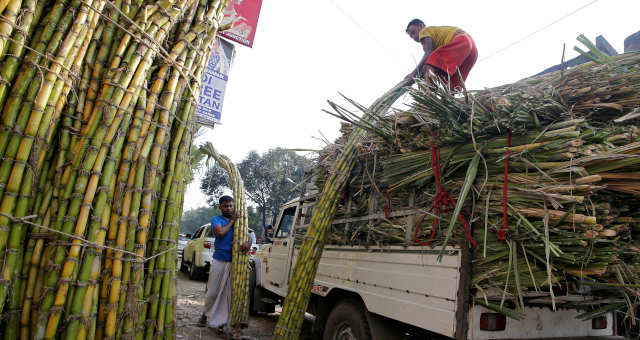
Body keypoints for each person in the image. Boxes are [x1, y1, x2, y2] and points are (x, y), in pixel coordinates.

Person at [199, 195, 251, 330]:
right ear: (220, 207)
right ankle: (204, 314)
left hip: (236, 262)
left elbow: (249, 235)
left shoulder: (240, 221)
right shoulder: (216, 219)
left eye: (230, 206)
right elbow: (220, 232)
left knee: (227, 295)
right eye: (225, 206)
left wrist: (248, 243)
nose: (228, 208)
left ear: (234, 206)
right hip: (219, 260)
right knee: (213, 291)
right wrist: (232, 221)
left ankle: (221, 323)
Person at [404, 19, 478, 91]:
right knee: (452, 85)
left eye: (413, 32)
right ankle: (450, 101)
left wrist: (413, 74)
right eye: (411, 36)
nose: (413, 37)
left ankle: (429, 95)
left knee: (428, 66)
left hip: (461, 40)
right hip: (472, 51)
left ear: (420, 26)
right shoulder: (436, 36)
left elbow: (428, 53)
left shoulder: (424, 31)